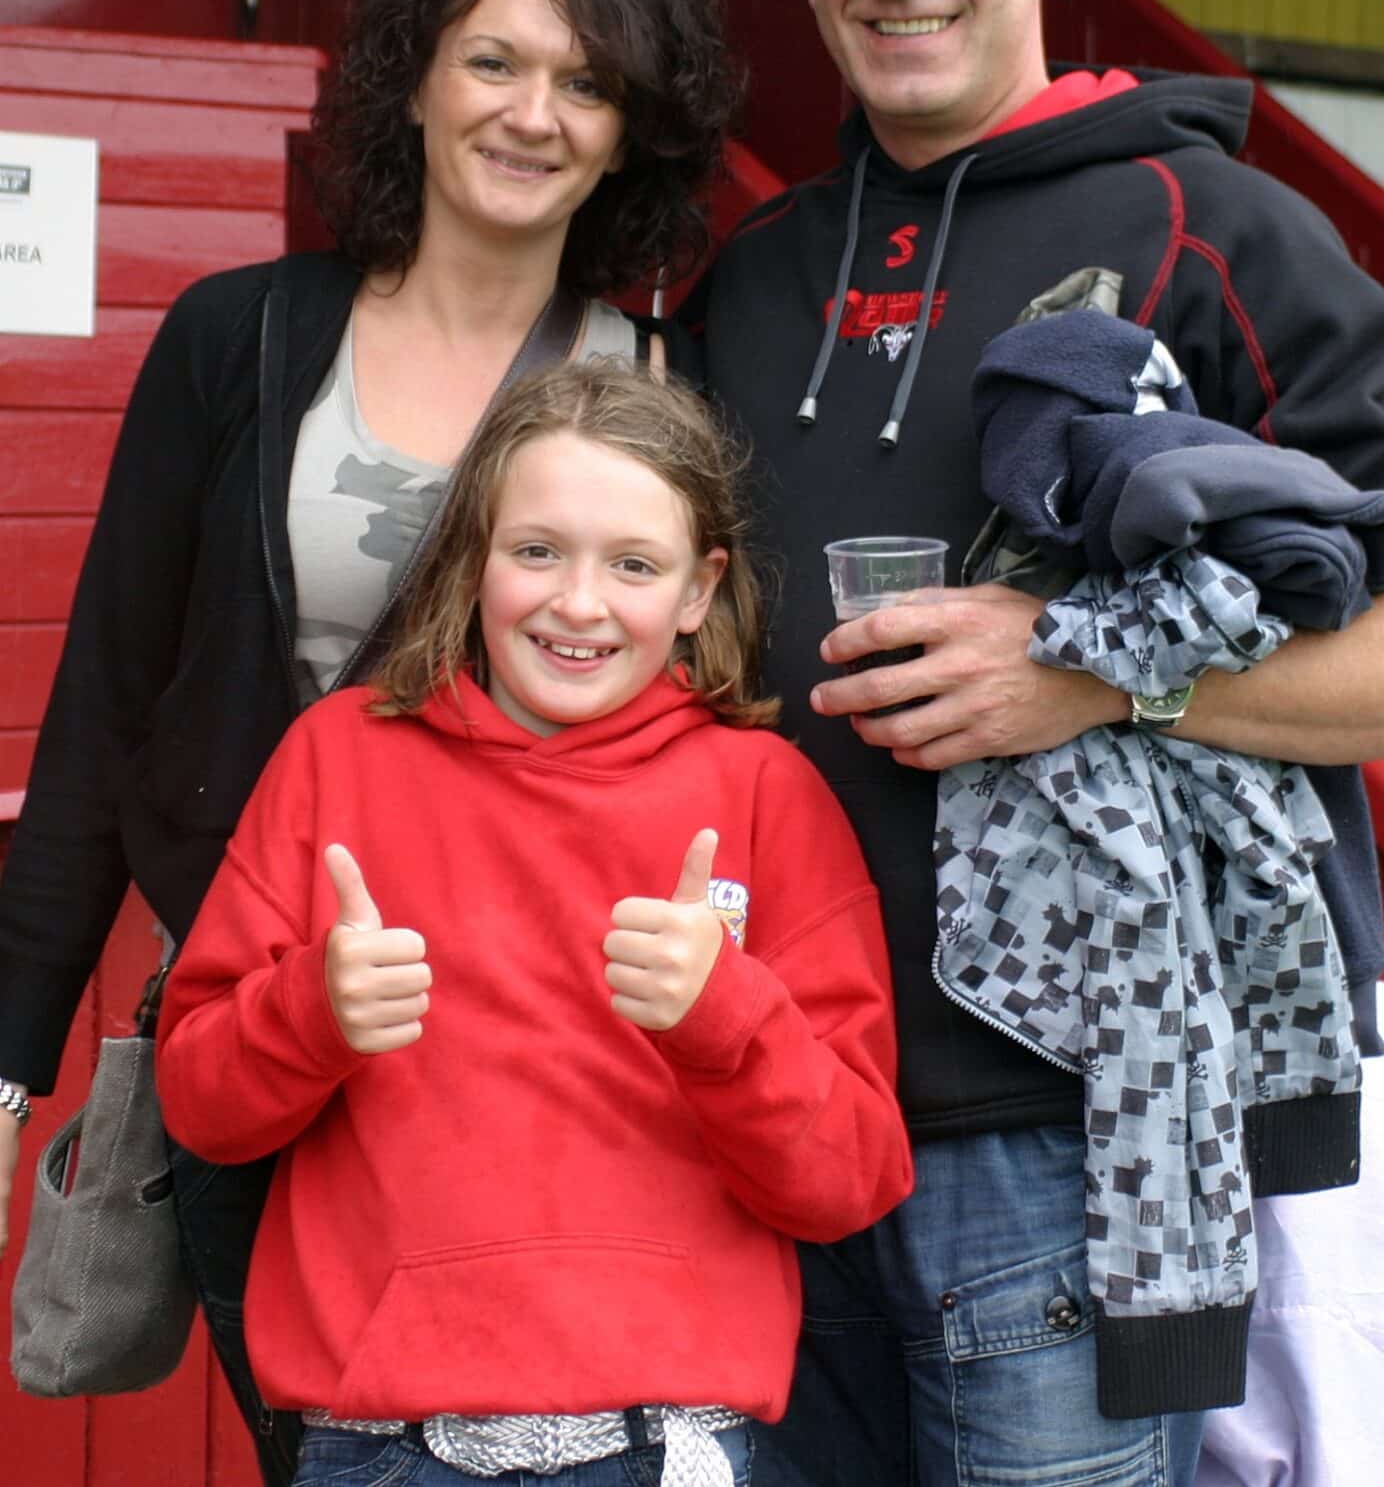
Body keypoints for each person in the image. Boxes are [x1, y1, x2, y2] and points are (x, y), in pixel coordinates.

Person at [675, 0, 1384, 1487]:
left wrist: (1091, 679)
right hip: (770, 1102)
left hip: (1072, 1139)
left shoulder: (1223, 232)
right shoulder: (749, 276)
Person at [0, 0, 740, 1485]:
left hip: (529, 1069)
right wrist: (10, 1041)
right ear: (414, 78)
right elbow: (107, 697)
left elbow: (719, 728)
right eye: (496, 62)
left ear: (631, 134)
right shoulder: (237, 337)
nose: (534, 114)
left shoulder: (664, 378)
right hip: (261, 1019)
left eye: (590, 81)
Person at [154, 359, 915, 1487]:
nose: (578, 603)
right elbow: (202, 1108)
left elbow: (850, 1179)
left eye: (634, 565)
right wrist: (309, 1011)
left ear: (699, 592)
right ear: (472, 558)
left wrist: (723, 1018)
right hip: (385, 1446)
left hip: (668, 1441)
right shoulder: (338, 756)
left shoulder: (767, 793)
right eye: (537, 550)